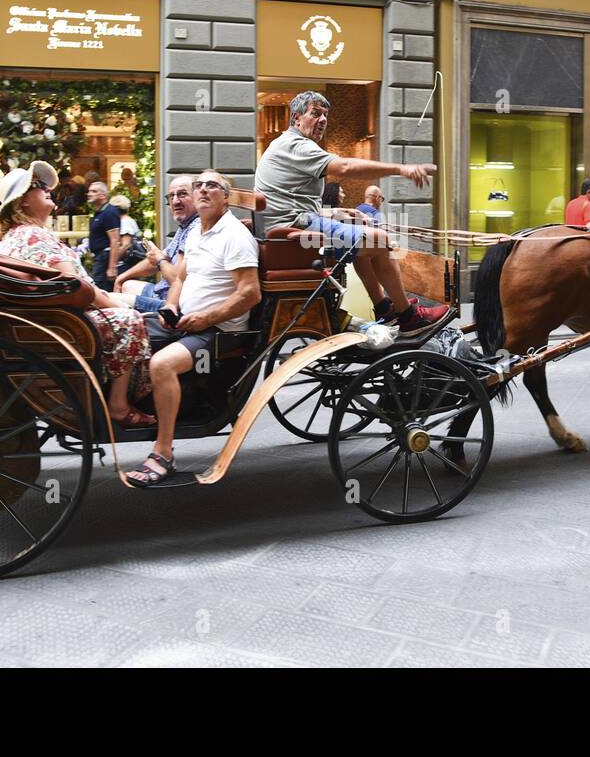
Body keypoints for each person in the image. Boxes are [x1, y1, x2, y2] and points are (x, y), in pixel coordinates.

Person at [254, 90, 448, 332]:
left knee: (364, 241)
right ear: (296, 118)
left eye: (325, 115)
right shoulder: (296, 146)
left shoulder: (284, 145)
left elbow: (296, 204)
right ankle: (407, 315)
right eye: (315, 114)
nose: (322, 120)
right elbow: (345, 166)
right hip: (294, 235)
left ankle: (384, 308)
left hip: (291, 228)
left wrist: (341, 213)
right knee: (380, 241)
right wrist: (401, 168)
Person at [125, 170, 261, 487]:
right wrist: (171, 306)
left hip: (219, 333)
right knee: (125, 329)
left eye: (211, 186)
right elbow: (180, 279)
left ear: (225, 197)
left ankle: (163, 454)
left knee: (161, 364)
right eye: (198, 185)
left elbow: (250, 293)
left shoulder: (234, 236)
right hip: (185, 320)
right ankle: (126, 409)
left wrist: (206, 319)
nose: (202, 190)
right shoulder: (198, 230)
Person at [0, 161, 153, 428]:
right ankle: (118, 404)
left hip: (51, 317)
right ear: (21, 203)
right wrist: (115, 305)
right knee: (132, 319)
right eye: (37, 186)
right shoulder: (33, 235)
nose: (46, 189)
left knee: (134, 303)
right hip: (63, 323)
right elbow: (76, 285)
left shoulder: (17, 235)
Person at [115, 174, 199, 313]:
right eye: (171, 196)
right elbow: (158, 258)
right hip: (162, 291)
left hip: (171, 303)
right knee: (126, 284)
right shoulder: (185, 225)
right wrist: (122, 277)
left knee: (109, 299)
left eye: (182, 194)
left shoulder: (195, 228)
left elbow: (176, 279)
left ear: (197, 197)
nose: (176, 201)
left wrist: (159, 260)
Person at [86, 179, 122, 292]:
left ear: (103, 195)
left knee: (101, 289)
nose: (89, 194)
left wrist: (112, 267)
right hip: (99, 257)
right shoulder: (100, 212)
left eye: (94, 191)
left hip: (104, 258)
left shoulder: (109, 212)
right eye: (89, 191)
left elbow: (115, 241)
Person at [111, 193, 138, 269]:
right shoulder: (128, 220)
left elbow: (126, 245)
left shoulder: (125, 222)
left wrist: (113, 262)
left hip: (125, 264)